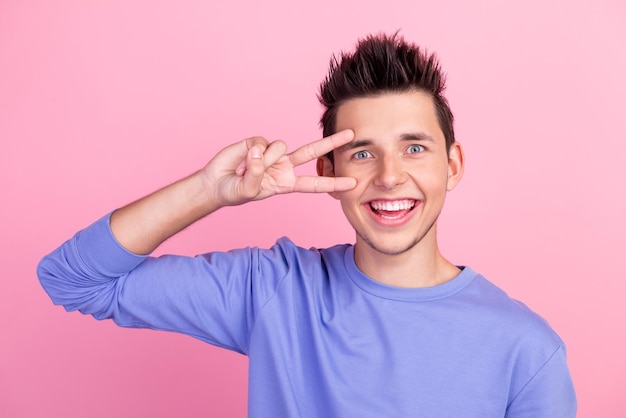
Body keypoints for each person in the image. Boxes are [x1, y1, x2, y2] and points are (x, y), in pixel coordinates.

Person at [37, 33, 577, 417]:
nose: (390, 177)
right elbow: (73, 278)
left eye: (414, 148)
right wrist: (210, 191)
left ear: (452, 165)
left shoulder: (526, 350)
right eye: (361, 153)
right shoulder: (275, 289)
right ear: (327, 169)